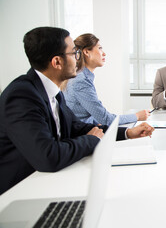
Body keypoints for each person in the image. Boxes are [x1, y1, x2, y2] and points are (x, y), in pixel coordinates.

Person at [0, 27, 154, 195]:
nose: (77, 59)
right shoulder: (22, 95)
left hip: (46, 182)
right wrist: (91, 141)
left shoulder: (53, 93)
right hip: (18, 192)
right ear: (57, 62)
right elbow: (48, 156)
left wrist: (128, 133)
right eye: (74, 53)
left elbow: (78, 127)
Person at [63, 33, 149, 126]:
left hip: (87, 130)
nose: (104, 53)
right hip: (81, 135)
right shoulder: (81, 80)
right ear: (86, 52)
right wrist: (137, 116)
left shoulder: (82, 76)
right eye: (99, 48)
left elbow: (93, 116)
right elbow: (106, 119)